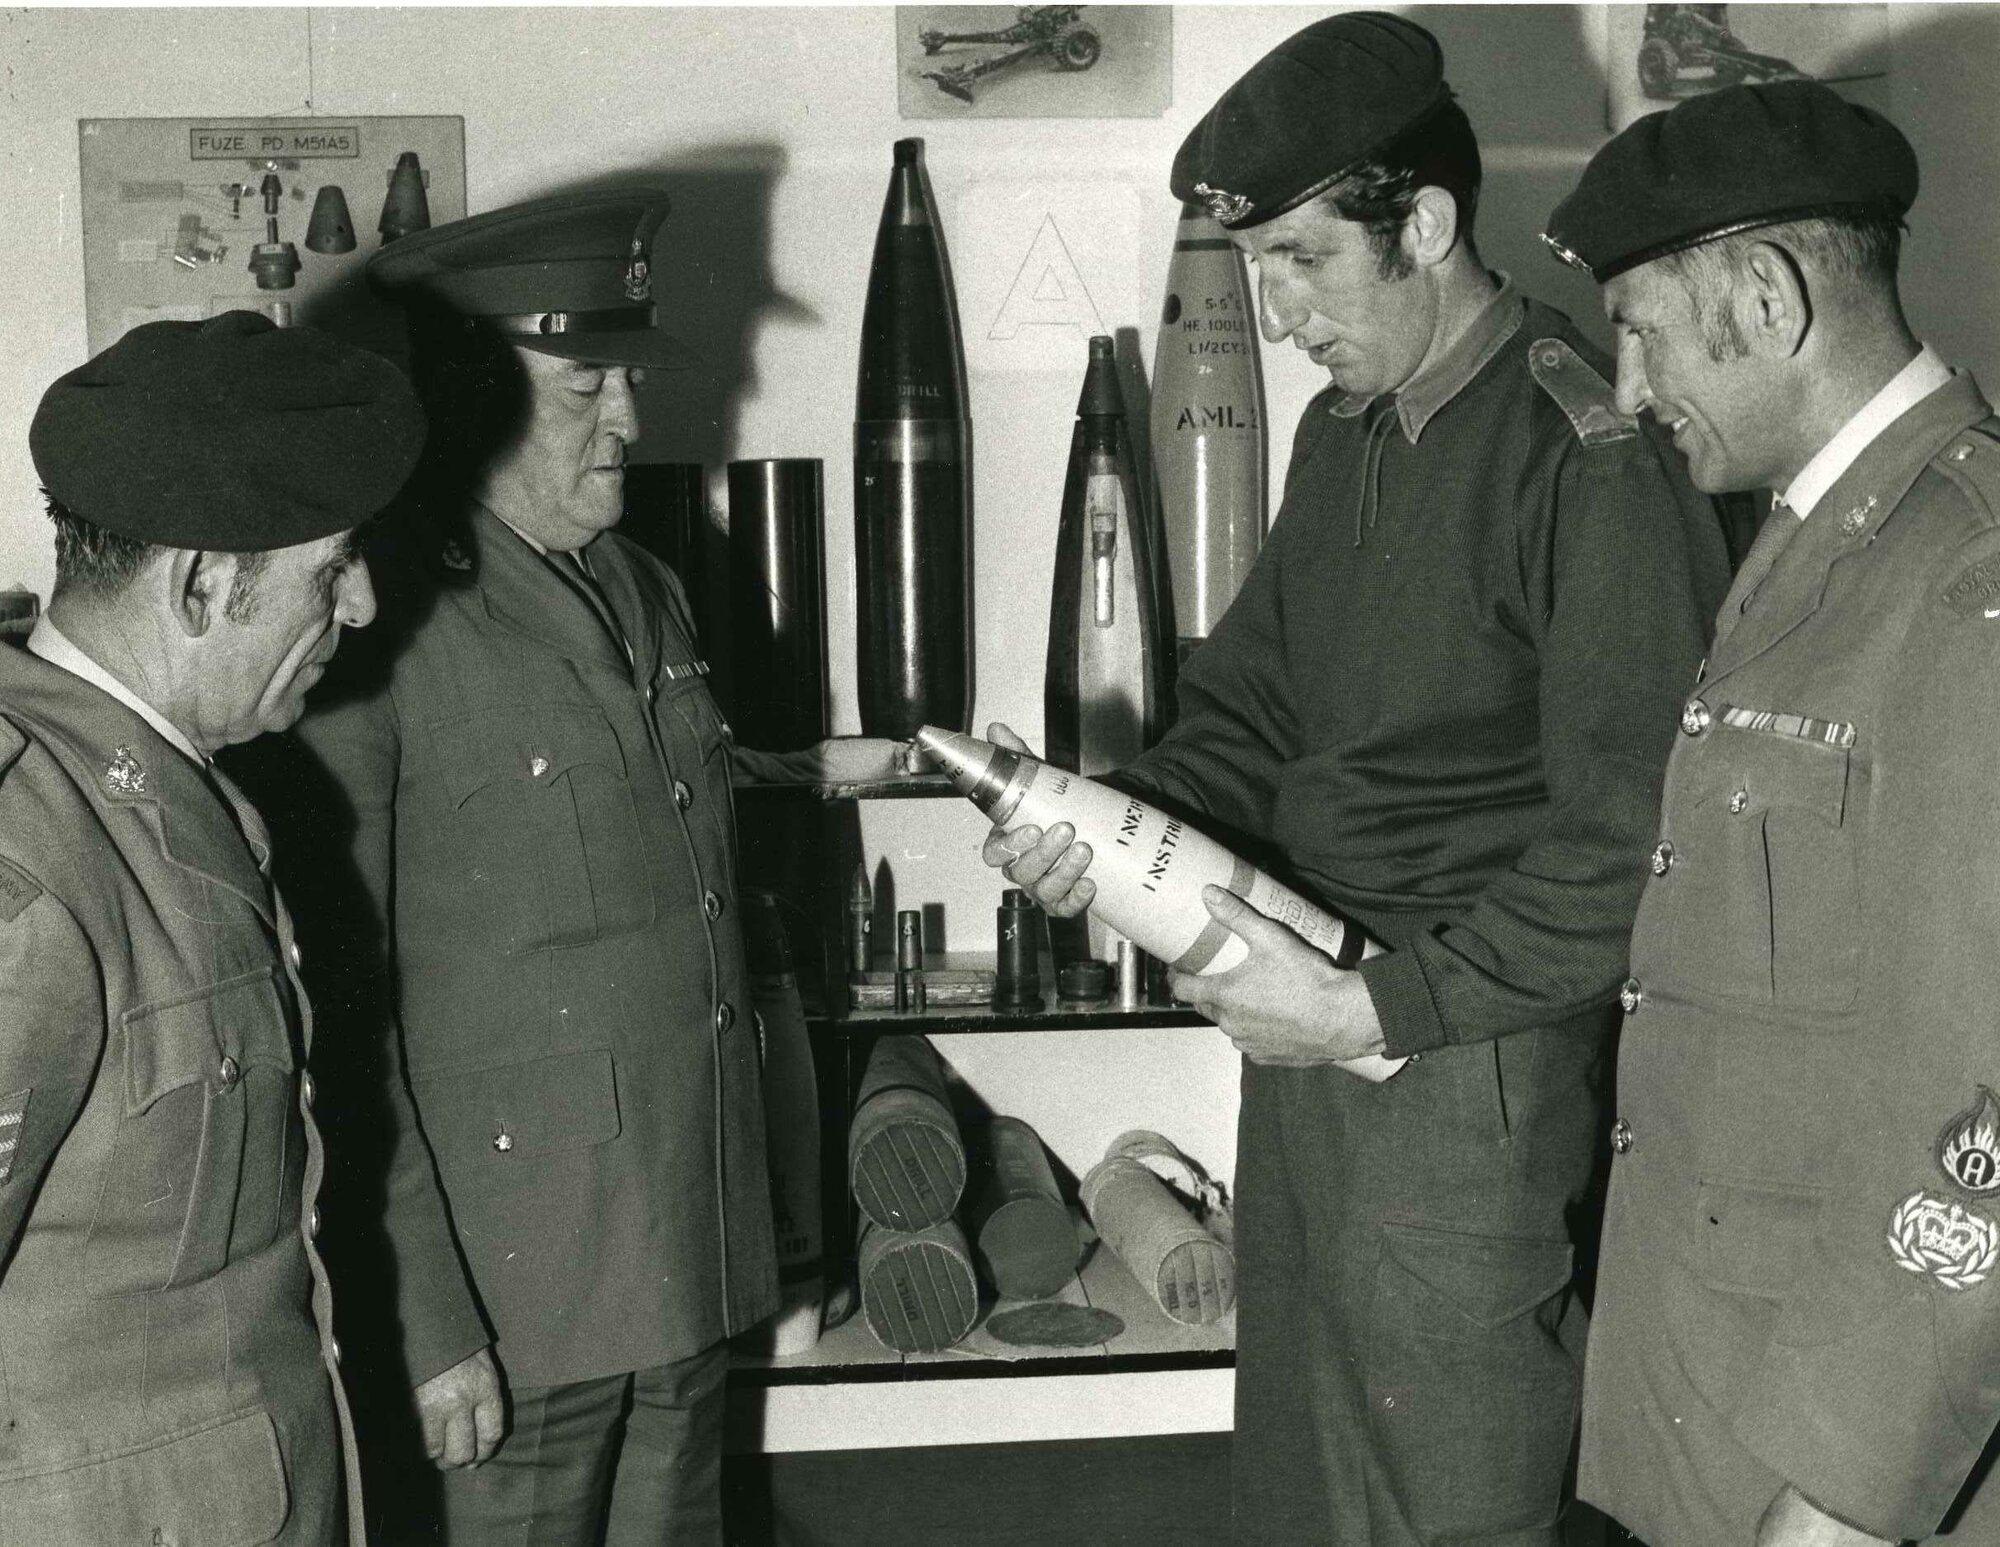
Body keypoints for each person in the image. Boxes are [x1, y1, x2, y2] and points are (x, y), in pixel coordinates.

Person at [982, 13, 1731, 1544]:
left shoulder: (1581, 453)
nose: (1272, 316)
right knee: (1309, 1489)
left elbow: (1632, 841)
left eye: (1302, 263)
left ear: (1429, 227)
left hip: (1464, 1063)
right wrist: (1101, 829)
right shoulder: (1347, 434)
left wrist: (1378, 1008)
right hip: (1309, 1035)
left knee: (1450, 1500)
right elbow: (1251, 708)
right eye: (1255, 268)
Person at [229, 186, 883, 1546]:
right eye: (586, 385)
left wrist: (779, 1232)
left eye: (627, 382)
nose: (631, 424)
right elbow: (336, 1014)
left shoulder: (647, 589)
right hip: (516, 1309)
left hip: (688, 1260)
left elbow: (697, 921)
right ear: (473, 398)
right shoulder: (377, 627)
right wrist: (423, 1310)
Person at [1545, 80, 2000, 1547]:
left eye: (1642, 326)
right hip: (1722, 1412)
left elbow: (1982, 1102)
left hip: (1847, 1468)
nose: (1626, 386)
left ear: (1765, 294)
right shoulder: (1814, 544)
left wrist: (1849, 1495)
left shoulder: (1963, 581)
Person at [0, 312, 425, 1543]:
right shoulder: (29, 861)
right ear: (198, 582)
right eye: (333, 564)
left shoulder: (186, 793)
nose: (362, 601)